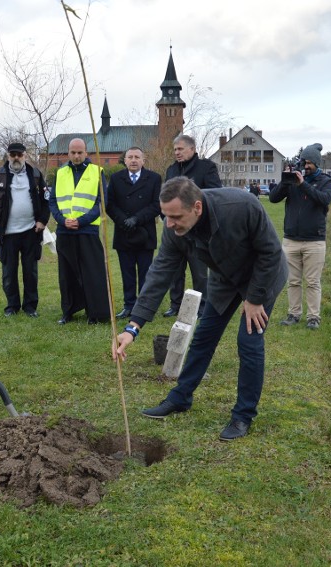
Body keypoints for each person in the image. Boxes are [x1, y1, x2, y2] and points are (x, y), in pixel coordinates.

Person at [114, 177, 287, 441]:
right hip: (224, 278)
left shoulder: (241, 206)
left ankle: (243, 416)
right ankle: (181, 397)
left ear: (196, 207)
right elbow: (160, 272)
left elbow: (271, 252)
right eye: (166, 217)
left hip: (261, 277)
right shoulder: (174, 229)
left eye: (175, 217)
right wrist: (132, 327)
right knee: (204, 336)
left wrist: (254, 299)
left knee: (249, 342)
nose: (169, 224)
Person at [269, 143, 331, 330]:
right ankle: (293, 314)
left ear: (316, 163)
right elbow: (273, 198)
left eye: (308, 163)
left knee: (313, 282)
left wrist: (303, 185)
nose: (305, 166)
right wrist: (286, 180)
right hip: (291, 240)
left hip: (315, 241)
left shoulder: (325, 181)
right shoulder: (292, 180)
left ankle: (313, 317)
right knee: (293, 281)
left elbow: (324, 200)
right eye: (303, 162)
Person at [49, 138, 110, 325]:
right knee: (66, 274)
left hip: (87, 230)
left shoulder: (97, 172)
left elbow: (101, 202)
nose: (76, 156)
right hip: (65, 230)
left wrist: (81, 221)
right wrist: (62, 220)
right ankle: (68, 311)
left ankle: (95, 313)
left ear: (86, 153)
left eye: (80, 152)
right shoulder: (60, 173)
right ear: (68, 153)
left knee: (92, 272)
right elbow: (53, 201)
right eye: (73, 152)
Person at [0, 142, 50, 317]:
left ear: (25, 156)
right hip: (7, 232)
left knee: (31, 271)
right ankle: (12, 306)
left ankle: (30, 306)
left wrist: (42, 221)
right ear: (7, 156)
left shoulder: (35, 174)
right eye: (12, 154)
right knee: (9, 273)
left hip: (31, 231)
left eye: (19, 155)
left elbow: (46, 201)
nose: (16, 158)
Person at [162, 134, 221, 318]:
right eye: (175, 150)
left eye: (180, 149)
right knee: (175, 271)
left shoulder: (206, 167)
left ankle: (203, 306)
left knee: (200, 273)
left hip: (198, 230)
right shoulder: (171, 170)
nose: (177, 153)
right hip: (176, 230)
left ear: (192, 149)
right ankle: (176, 304)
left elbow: (214, 193)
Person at [106, 147, 162, 320]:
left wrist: (136, 219)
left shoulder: (154, 178)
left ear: (143, 160)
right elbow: (110, 204)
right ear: (125, 160)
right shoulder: (115, 179)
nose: (133, 160)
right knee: (127, 272)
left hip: (145, 232)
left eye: (137, 157)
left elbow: (156, 204)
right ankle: (129, 305)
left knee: (146, 273)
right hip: (124, 233)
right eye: (130, 157)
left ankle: (144, 308)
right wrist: (123, 220)